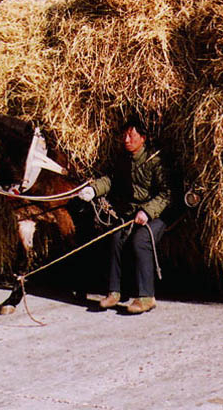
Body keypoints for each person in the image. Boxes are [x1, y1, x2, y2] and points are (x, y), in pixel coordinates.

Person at [77, 117, 174, 314]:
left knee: (141, 239)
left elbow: (167, 194)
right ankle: (114, 292)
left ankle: (146, 297)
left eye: (131, 135)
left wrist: (147, 211)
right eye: (125, 135)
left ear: (143, 138)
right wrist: (94, 190)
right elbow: (111, 180)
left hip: (159, 214)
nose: (126, 139)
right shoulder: (123, 160)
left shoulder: (156, 161)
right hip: (132, 213)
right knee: (115, 237)